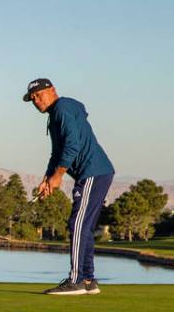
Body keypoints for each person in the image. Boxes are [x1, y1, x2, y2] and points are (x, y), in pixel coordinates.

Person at [24, 78, 114, 295]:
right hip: (97, 173)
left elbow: (72, 144)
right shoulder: (55, 116)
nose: (36, 101)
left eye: (39, 95)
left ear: (52, 90)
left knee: (77, 224)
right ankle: (88, 280)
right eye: (32, 99)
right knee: (84, 227)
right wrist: (48, 178)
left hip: (92, 172)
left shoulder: (62, 107)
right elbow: (57, 152)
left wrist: (59, 175)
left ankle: (76, 280)